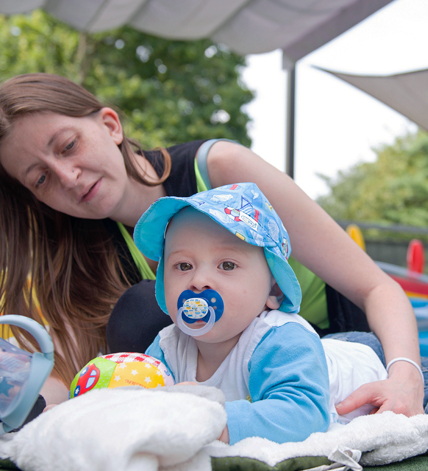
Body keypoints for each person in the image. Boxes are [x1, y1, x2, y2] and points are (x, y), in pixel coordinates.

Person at [0, 73, 427, 454]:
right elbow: (75, 378)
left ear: (110, 125)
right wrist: (2, 406)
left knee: (142, 307)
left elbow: (376, 287)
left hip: (334, 352)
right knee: (139, 314)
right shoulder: (81, 255)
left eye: (68, 146)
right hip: (229, 390)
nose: (68, 176)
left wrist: (405, 376)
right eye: (41, 179)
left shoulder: (220, 171)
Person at [136, 182, 392, 444]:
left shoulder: (281, 340)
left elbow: (303, 413)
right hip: (319, 349)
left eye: (227, 265)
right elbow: (139, 400)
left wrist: (218, 423)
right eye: (183, 265)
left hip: (365, 360)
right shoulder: (168, 346)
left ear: (274, 290)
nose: (199, 281)